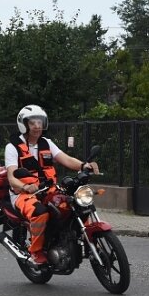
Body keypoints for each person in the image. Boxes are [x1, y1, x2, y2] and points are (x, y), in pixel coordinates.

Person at [5, 105, 99, 266]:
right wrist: (25, 187)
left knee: (75, 205)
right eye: (32, 122)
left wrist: (84, 165)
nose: (37, 126)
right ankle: (36, 252)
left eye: (40, 122)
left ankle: (85, 240)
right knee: (40, 212)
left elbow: (66, 159)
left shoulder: (46, 143)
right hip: (23, 194)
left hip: (48, 189)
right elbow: (12, 177)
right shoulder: (12, 147)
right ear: (24, 124)